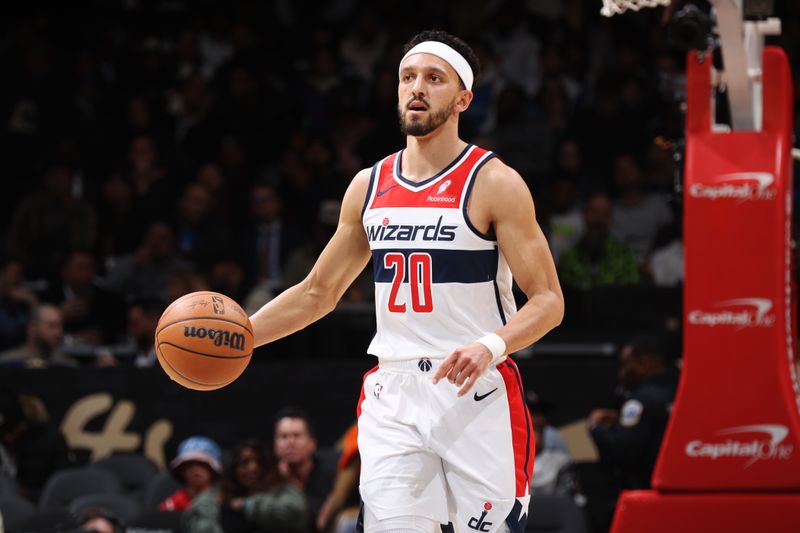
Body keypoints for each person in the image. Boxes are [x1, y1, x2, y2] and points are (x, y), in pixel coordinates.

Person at [248, 30, 564, 533]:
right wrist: (242, 337)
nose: (417, 87)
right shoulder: (368, 186)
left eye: (434, 78)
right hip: (394, 393)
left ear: (463, 98)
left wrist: (490, 345)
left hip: (475, 388)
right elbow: (316, 292)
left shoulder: (495, 182)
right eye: (408, 77)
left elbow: (548, 301)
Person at [587, 335, 679, 490]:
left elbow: (622, 453)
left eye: (626, 365)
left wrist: (596, 428)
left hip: (647, 488)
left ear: (645, 363)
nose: (622, 374)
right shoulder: (681, 392)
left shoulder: (639, 401)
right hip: (677, 480)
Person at [183, 438, 308, 533]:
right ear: (235, 468)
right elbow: (196, 518)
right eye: (244, 462)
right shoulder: (217, 496)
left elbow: (296, 513)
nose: (252, 468)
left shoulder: (281, 490)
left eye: (259, 462)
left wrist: (247, 505)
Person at [273, 407, 336, 531]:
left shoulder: (331, 475)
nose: (290, 442)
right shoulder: (268, 479)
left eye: (297, 436)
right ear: (275, 445)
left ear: (312, 443)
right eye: (284, 436)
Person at [0, 303, 77, 368]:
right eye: (52, 326)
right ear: (32, 329)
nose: (59, 332)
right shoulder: (6, 363)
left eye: (60, 326)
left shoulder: (67, 366)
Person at [160, 435, 223, 511]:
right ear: (181, 470)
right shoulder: (171, 506)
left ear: (214, 470)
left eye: (203, 464)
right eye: (190, 464)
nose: (196, 468)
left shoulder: (224, 502)